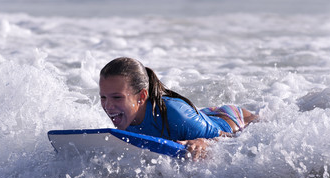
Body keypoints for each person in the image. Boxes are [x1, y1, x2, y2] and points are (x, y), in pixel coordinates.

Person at [99, 57, 258, 159]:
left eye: (117, 97)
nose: (108, 106)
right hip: (201, 117)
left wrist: (204, 142)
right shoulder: (125, 116)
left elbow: (230, 139)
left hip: (233, 120)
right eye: (103, 97)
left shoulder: (176, 115)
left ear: (141, 97)